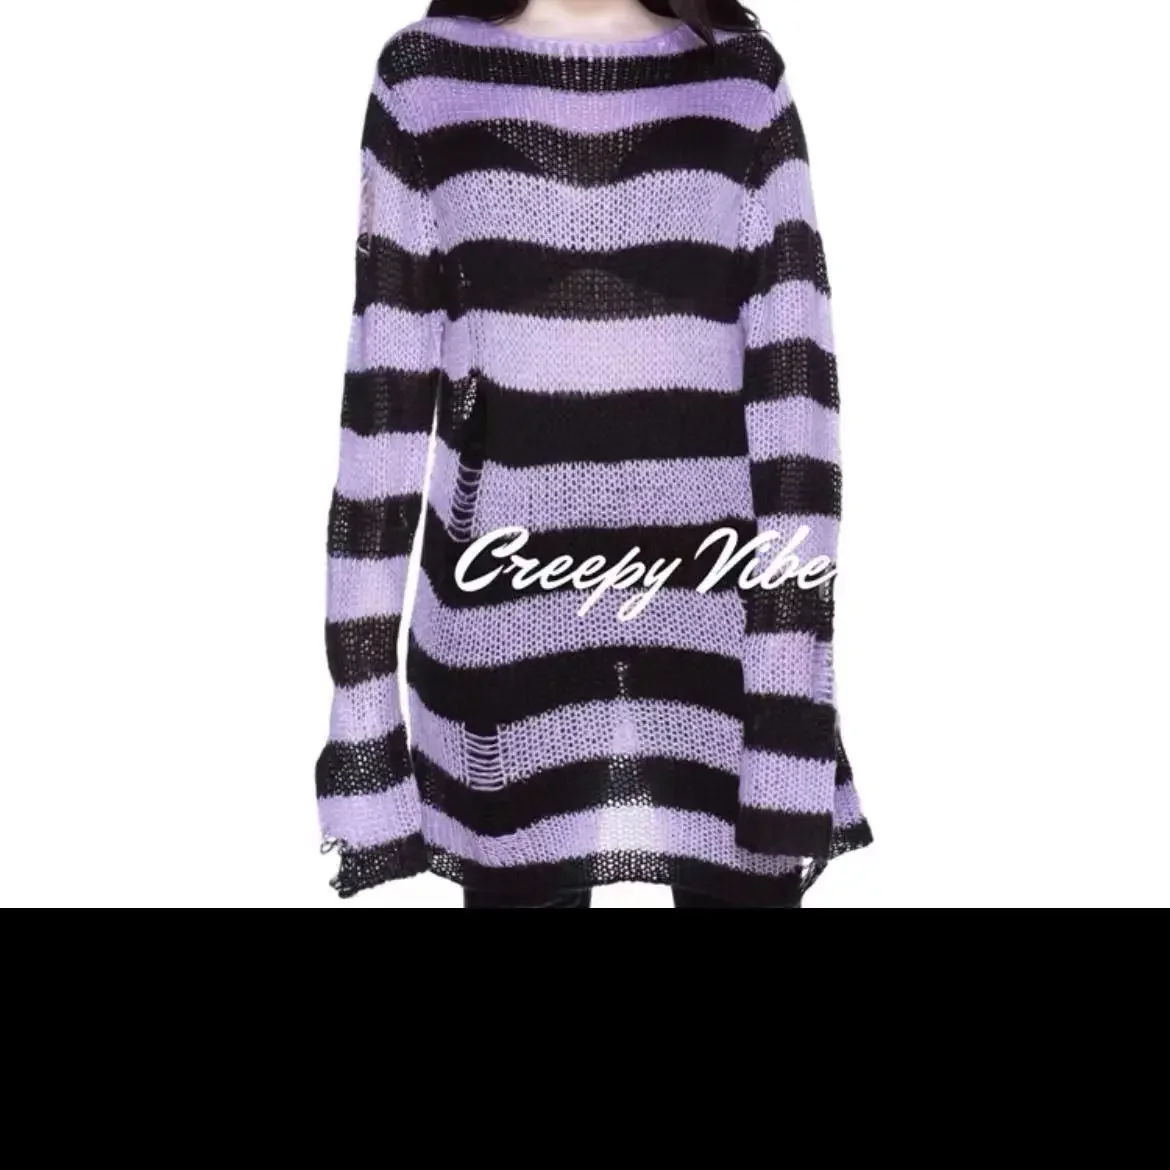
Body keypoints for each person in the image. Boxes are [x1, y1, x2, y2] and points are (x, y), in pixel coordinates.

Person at [315, 0, 872, 908]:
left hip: (716, 649)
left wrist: (787, 703)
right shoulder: (426, 83)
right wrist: (364, 727)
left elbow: (797, 411)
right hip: (502, 651)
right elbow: (383, 420)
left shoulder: (741, 83)